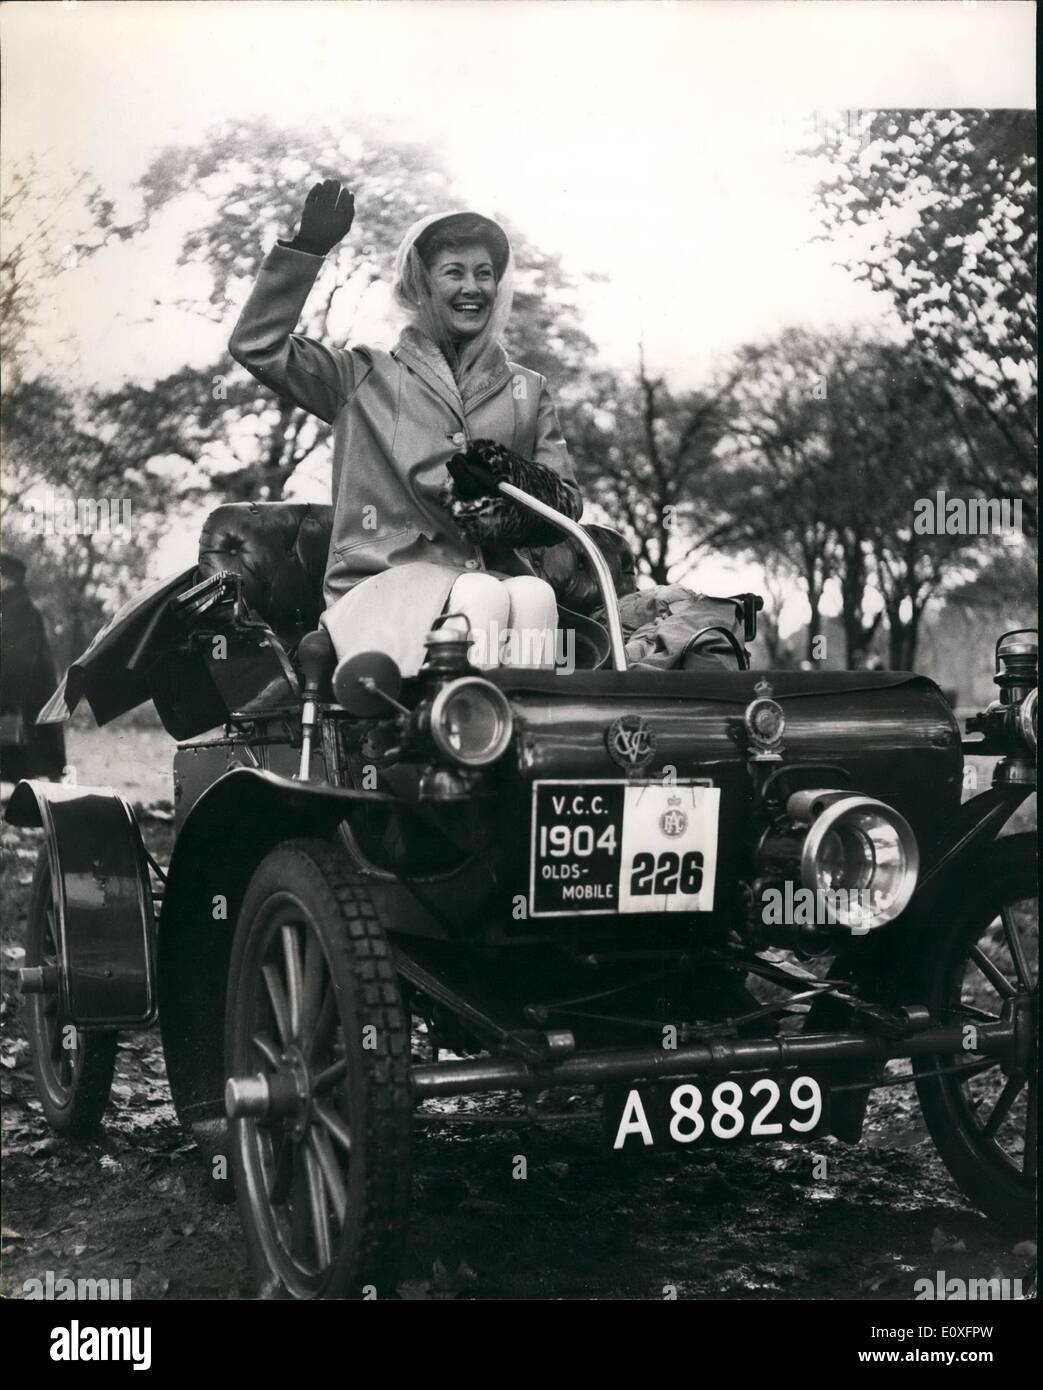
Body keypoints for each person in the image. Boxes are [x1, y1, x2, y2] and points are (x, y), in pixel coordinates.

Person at [229, 179, 582, 674]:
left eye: (485, 273)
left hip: (494, 589)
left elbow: (565, 503)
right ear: (420, 285)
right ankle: (457, 741)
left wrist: (506, 493)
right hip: (381, 594)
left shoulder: (527, 389)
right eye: (453, 272)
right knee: (481, 593)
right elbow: (257, 346)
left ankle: (512, 739)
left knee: (535, 592)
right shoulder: (362, 376)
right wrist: (307, 250)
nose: (473, 287)